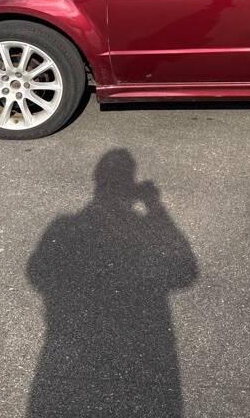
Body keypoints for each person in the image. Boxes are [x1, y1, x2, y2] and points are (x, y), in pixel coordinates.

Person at [26, 149, 198, 417]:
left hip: (72, 341)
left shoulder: (65, 226)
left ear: (97, 182)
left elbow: (37, 271)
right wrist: (155, 208)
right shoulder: (141, 228)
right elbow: (185, 270)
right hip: (137, 344)